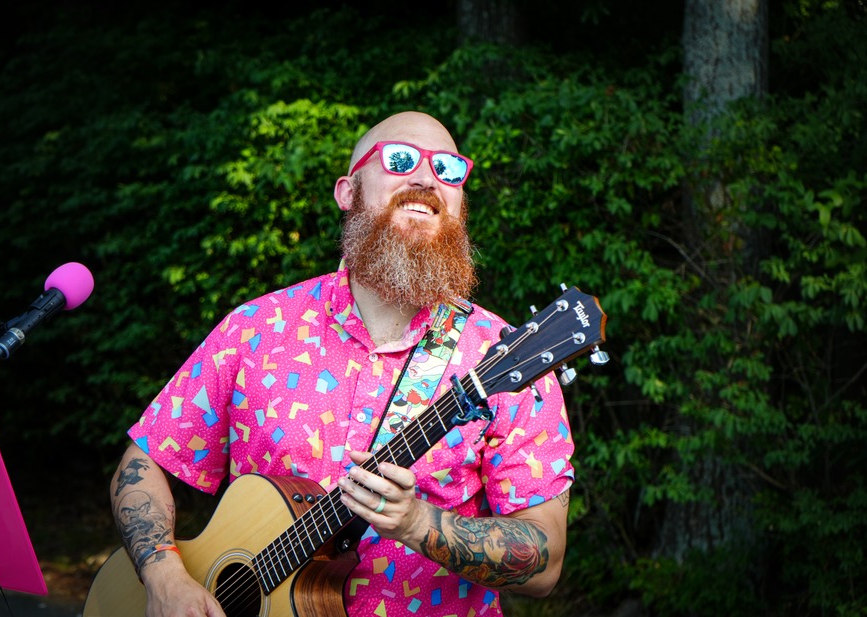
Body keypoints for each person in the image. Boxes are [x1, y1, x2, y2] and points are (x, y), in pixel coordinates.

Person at [110, 111, 575, 617]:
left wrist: (418, 524)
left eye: (448, 168)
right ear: (348, 192)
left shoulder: (504, 359)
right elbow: (143, 462)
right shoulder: (255, 330)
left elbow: (545, 563)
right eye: (401, 160)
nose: (426, 178)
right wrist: (163, 576)